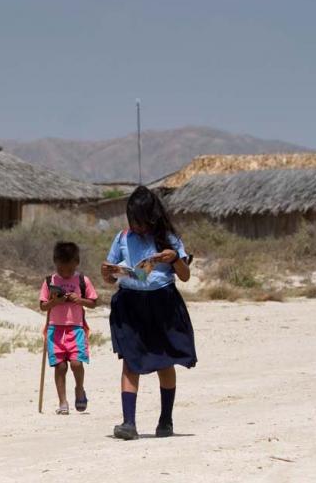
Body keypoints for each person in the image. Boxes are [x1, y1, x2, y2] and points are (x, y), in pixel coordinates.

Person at [101, 186, 197, 440]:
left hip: (163, 305)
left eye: (140, 221)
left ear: (151, 217)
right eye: (132, 220)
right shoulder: (122, 238)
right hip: (130, 305)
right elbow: (110, 278)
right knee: (131, 361)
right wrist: (108, 274)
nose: (136, 226)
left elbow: (185, 276)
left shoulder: (169, 239)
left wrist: (175, 259)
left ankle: (165, 421)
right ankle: (128, 423)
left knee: (164, 362)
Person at [40, 241, 98, 415]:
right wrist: (54, 302)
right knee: (60, 366)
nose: (65, 274)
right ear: (55, 263)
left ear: (76, 263)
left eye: (69, 270)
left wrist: (79, 300)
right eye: (61, 269)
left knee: (76, 363)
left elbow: (94, 302)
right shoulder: (50, 281)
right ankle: (62, 402)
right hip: (54, 329)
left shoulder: (82, 280)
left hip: (76, 328)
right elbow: (43, 306)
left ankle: (79, 388)